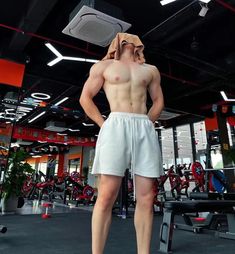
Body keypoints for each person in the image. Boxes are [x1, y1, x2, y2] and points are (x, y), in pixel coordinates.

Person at [79, 32, 164, 254]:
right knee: (107, 194)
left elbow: (158, 101)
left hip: (142, 125)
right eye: (124, 38)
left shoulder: (150, 70)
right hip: (115, 123)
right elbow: (85, 97)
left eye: (133, 38)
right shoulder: (103, 66)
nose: (129, 40)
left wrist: (147, 122)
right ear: (117, 43)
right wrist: (102, 123)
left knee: (147, 197)